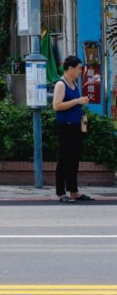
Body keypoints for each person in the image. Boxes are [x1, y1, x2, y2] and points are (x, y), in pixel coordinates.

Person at [52, 55, 94, 202]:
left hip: (75, 126)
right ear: (70, 68)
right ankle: (60, 192)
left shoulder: (75, 84)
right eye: (78, 68)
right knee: (64, 159)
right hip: (65, 127)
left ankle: (73, 191)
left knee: (74, 159)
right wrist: (77, 100)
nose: (80, 71)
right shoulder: (61, 84)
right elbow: (56, 106)